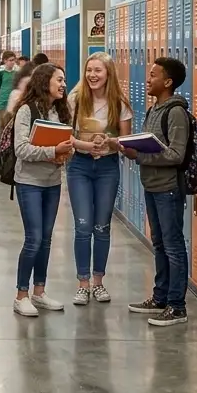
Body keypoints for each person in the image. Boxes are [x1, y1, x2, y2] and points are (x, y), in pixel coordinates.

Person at [123, 57, 193, 325]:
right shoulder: (154, 110)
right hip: (151, 185)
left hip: (168, 188)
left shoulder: (175, 112)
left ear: (168, 82)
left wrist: (139, 156)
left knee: (174, 246)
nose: (147, 79)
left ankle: (177, 306)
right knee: (160, 244)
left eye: (153, 75)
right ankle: (160, 297)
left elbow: (176, 154)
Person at [9, 63, 74, 317]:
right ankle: (21, 295)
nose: (63, 84)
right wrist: (52, 152)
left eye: (64, 80)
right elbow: (21, 149)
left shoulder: (60, 110)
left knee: (46, 240)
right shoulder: (27, 110)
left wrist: (64, 154)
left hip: (53, 182)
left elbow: (66, 144)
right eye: (59, 79)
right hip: (29, 183)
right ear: (44, 81)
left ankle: (39, 291)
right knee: (34, 238)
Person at [67, 53, 132, 306]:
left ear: (108, 74)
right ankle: (83, 284)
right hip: (80, 166)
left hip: (107, 167)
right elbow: (64, 135)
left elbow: (125, 143)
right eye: (89, 70)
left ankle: (99, 282)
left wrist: (110, 143)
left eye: (98, 71)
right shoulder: (75, 100)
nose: (92, 75)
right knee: (83, 226)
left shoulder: (120, 104)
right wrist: (86, 145)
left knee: (102, 226)